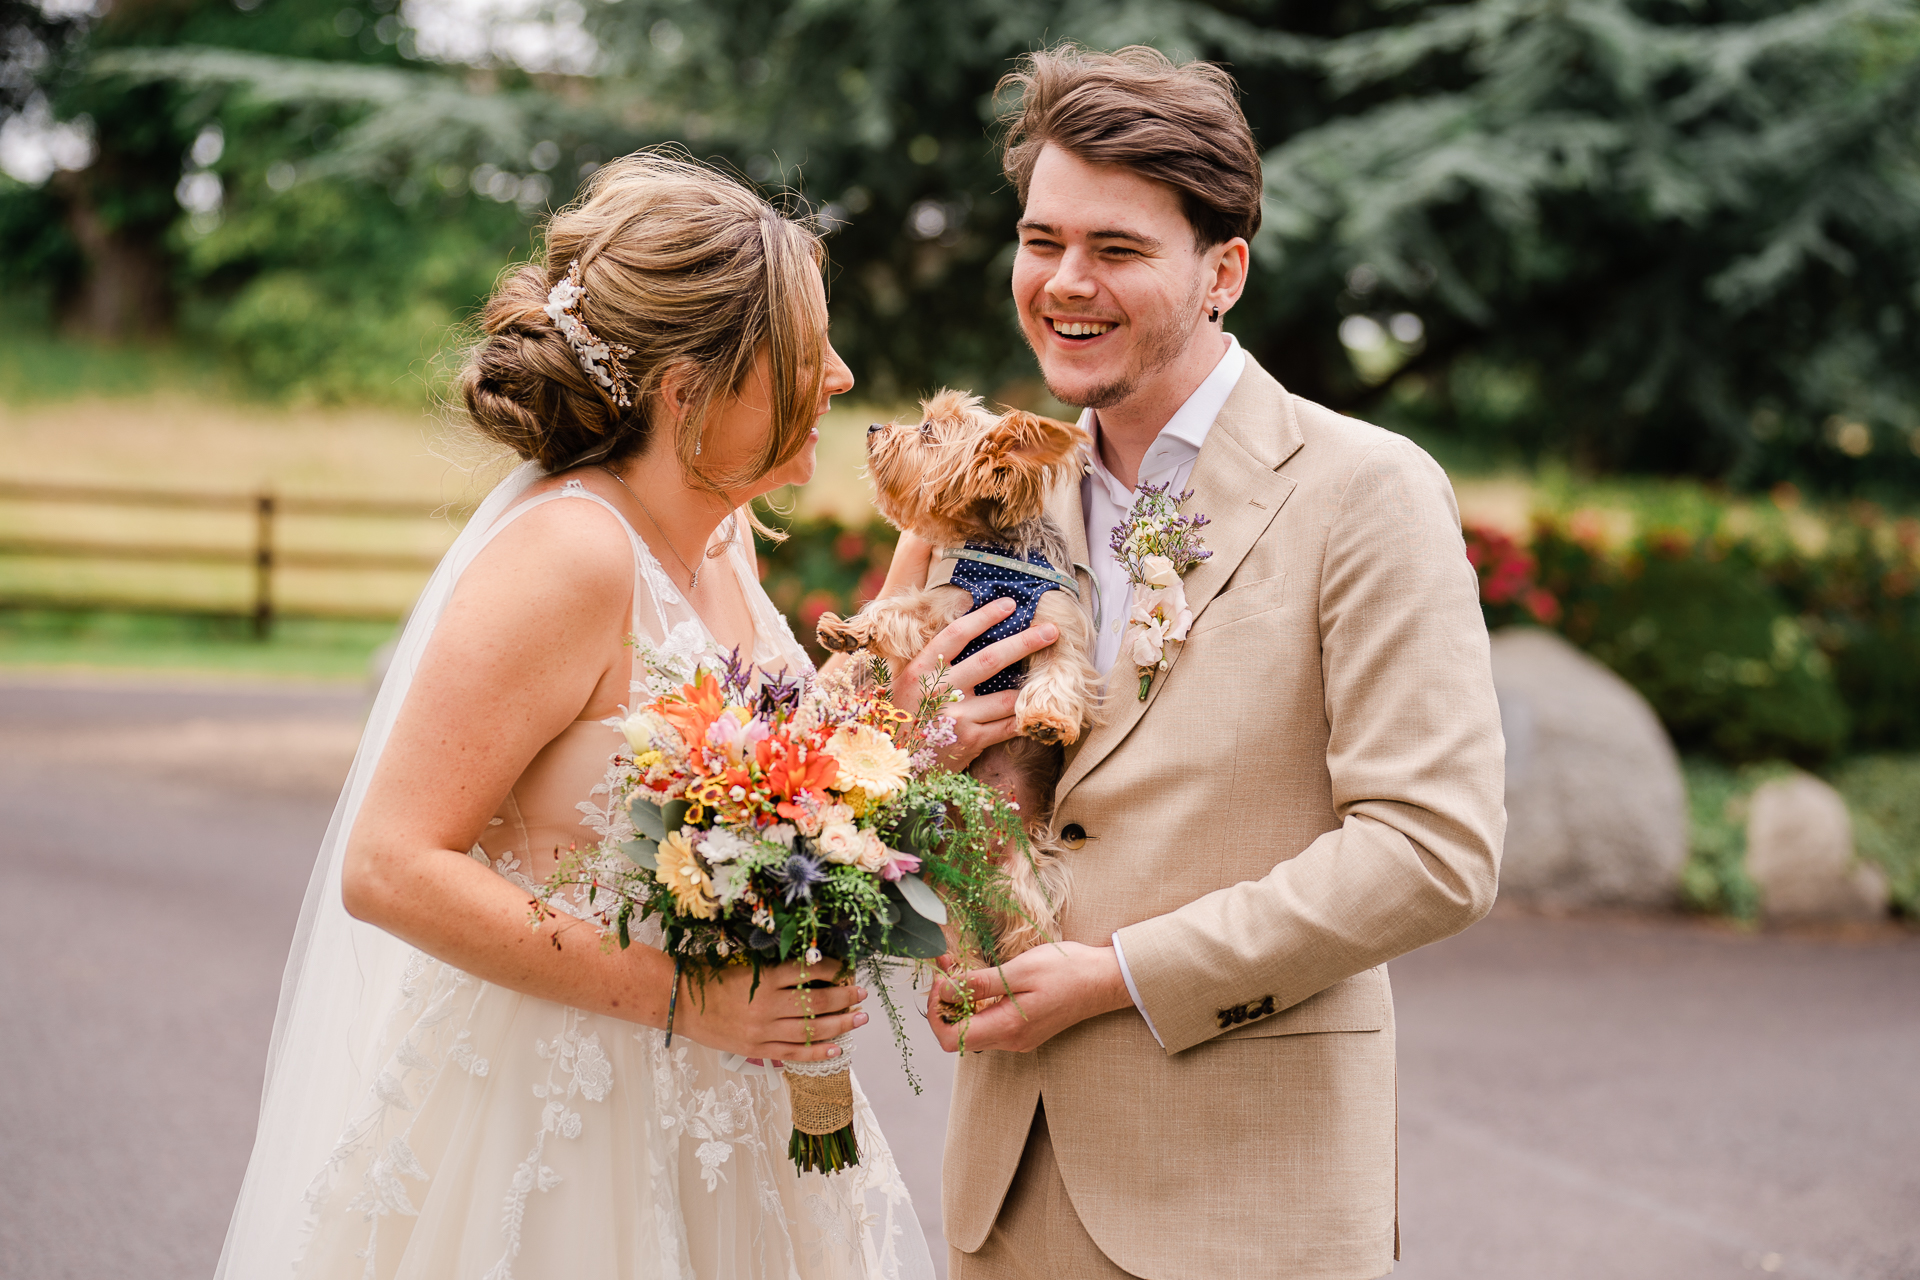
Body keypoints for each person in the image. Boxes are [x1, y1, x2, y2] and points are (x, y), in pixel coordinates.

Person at [215, 152, 1060, 1280]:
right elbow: (389, 864)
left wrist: (897, 710)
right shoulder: (570, 555)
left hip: (735, 1126)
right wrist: (690, 1000)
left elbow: (790, 796)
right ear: (691, 392)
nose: (846, 377)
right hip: (564, 1129)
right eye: (809, 356)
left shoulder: (718, 541)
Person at [905, 47, 1508, 1280]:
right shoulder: (993, 494)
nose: (1066, 284)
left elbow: (1435, 848)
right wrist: (923, 753)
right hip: (1005, 1193)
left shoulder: (1366, 490)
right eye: (1041, 240)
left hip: (1248, 1199)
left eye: (1117, 250)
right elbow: (926, 801)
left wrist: (1121, 974)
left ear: (1223, 270)